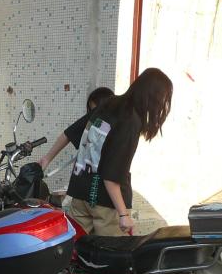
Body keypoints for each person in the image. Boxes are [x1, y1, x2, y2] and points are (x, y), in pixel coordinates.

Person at [41, 70, 172, 236]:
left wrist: (46, 159)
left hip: (81, 195)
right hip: (106, 204)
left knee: (77, 251)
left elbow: (69, 133)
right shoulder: (131, 120)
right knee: (111, 256)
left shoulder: (107, 104)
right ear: (154, 97)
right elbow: (111, 176)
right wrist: (123, 214)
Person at [38, 86, 114, 171]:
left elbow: (67, 135)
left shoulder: (99, 115)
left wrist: (47, 159)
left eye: (93, 110)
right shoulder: (120, 121)